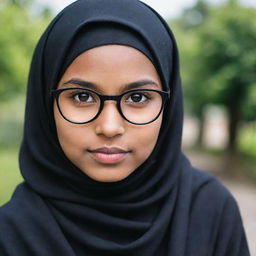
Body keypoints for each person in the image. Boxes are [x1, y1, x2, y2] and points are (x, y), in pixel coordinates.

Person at [0, 0, 250, 255]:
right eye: (82, 96)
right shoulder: (9, 234)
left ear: (169, 104)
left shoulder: (210, 211)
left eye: (138, 98)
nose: (109, 127)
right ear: (46, 101)